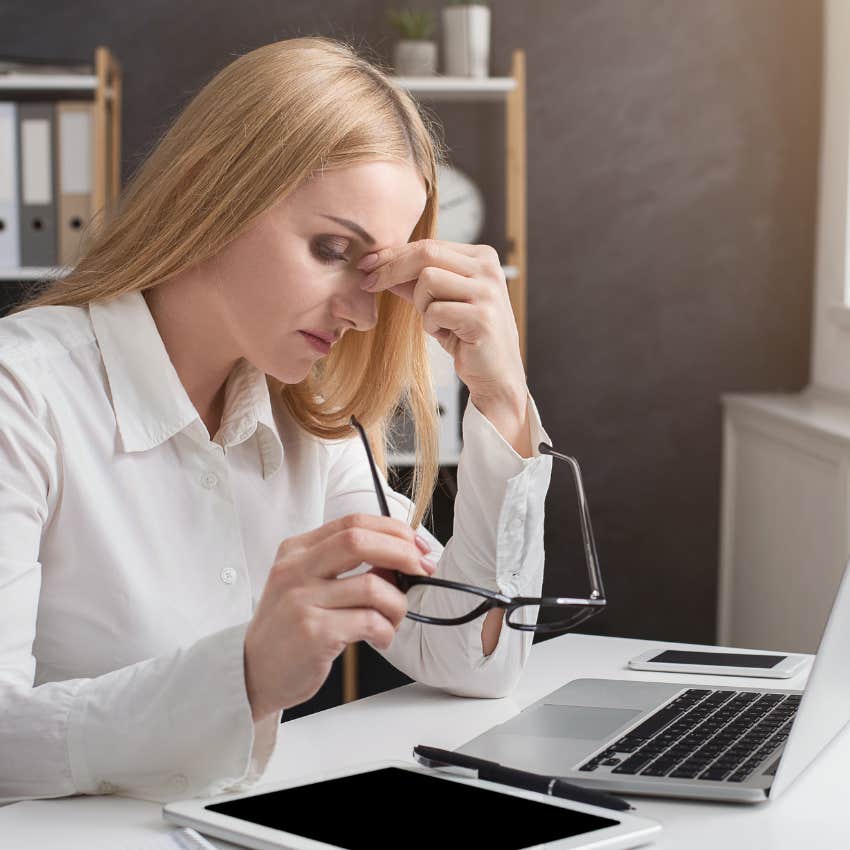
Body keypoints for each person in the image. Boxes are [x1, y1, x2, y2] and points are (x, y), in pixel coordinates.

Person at [0, 36, 553, 804]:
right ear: (211, 194)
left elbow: (475, 658)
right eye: (332, 248)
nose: (363, 313)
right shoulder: (20, 394)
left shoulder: (307, 424)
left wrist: (503, 400)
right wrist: (245, 674)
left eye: (377, 273)